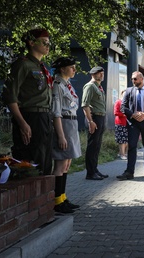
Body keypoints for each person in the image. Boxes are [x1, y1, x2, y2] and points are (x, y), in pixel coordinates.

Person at [2, 28, 53, 175]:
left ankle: (47, 197)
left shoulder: (41, 67)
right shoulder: (22, 65)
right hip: (30, 117)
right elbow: (10, 96)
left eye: (48, 43)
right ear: (31, 43)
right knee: (32, 163)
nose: (47, 46)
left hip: (44, 117)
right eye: (44, 42)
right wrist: (22, 123)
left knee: (45, 162)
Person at [50, 57, 82, 213]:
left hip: (72, 123)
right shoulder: (57, 85)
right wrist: (61, 136)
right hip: (63, 124)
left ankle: (63, 197)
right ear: (62, 69)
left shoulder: (67, 84)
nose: (74, 70)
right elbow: (56, 112)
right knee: (60, 164)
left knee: (67, 164)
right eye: (72, 67)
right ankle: (56, 201)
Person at [116, 71, 144, 180]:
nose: (133, 81)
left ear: (141, 79)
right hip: (133, 123)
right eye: (132, 79)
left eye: (135, 78)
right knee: (132, 147)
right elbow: (123, 107)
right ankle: (129, 172)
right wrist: (133, 114)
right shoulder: (128, 91)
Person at [82, 66, 108, 180]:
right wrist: (90, 121)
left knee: (97, 146)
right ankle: (90, 173)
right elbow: (85, 105)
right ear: (93, 74)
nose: (102, 75)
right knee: (92, 146)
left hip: (100, 117)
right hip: (94, 117)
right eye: (99, 73)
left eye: (102, 73)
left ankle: (95, 169)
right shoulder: (90, 86)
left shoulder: (99, 87)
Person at [114, 90, 128, 160]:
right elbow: (116, 112)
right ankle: (122, 154)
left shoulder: (129, 102)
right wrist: (125, 115)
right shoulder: (118, 102)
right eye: (124, 94)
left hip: (128, 123)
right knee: (122, 140)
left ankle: (124, 153)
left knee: (127, 140)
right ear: (122, 94)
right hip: (120, 123)